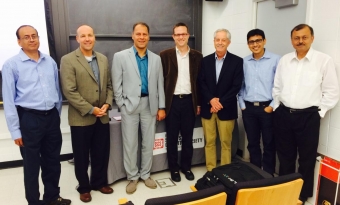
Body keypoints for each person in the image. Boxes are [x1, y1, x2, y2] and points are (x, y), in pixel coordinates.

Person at [2, 25, 71, 205]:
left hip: (51, 119)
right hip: (29, 119)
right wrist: (16, 131)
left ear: (39, 38)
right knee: (32, 166)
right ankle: (34, 201)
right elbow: (9, 101)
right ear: (19, 41)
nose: (31, 39)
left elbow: (56, 91)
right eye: (26, 37)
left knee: (53, 162)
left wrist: (55, 116)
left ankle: (52, 197)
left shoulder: (50, 62)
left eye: (34, 36)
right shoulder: (11, 65)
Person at [273, 24, 339, 204]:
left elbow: (332, 91)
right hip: (284, 114)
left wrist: (320, 112)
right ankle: (285, 190)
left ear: (312, 38)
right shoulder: (285, 60)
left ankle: (301, 195)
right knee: (285, 156)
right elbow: (277, 86)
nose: (300, 41)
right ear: (291, 40)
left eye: (304, 37)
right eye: (296, 38)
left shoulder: (323, 61)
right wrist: (278, 105)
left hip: (309, 117)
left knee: (307, 158)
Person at [60, 25, 114, 203]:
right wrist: (91, 109)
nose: (87, 39)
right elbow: (69, 91)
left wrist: (107, 103)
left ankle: (99, 182)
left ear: (94, 37)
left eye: (90, 35)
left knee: (101, 152)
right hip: (81, 118)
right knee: (82, 156)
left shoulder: (103, 59)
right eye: (83, 36)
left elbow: (109, 86)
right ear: (77, 39)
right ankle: (84, 187)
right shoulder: (68, 60)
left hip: (102, 116)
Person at [112, 22, 166, 194]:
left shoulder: (156, 59)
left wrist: (161, 106)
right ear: (133, 35)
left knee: (148, 143)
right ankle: (132, 177)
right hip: (130, 107)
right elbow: (116, 83)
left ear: (148, 37)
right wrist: (121, 104)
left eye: (144, 34)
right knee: (130, 144)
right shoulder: (120, 56)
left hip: (150, 105)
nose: (141, 37)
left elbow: (160, 85)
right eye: (138, 34)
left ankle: (145, 174)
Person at [160, 23, 203, 182]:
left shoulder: (197, 56)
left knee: (187, 137)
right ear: (173, 37)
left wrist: (198, 103)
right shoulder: (164, 55)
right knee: (171, 138)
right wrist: (161, 106)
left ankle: (186, 167)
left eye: (183, 34)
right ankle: (174, 169)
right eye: (177, 34)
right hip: (172, 103)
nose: (181, 37)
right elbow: (160, 82)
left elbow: (199, 82)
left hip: (189, 102)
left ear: (188, 35)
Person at [198, 28, 243, 171]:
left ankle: (225, 172)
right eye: (217, 39)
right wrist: (211, 100)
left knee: (226, 143)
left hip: (226, 109)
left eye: (223, 40)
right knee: (209, 142)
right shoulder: (205, 61)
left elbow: (236, 86)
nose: (220, 42)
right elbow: (201, 82)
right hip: (208, 108)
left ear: (228, 42)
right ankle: (211, 170)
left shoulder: (237, 61)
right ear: (214, 42)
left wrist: (219, 103)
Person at [238, 29, 280, 175]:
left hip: (267, 108)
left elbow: (280, 86)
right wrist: (242, 106)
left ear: (264, 41)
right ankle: (255, 172)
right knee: (253, 143)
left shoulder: (276, 60)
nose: (255, 44)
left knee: (269, 143)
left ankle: (267, 174)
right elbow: (240, 86)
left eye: (258, 41)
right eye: (251, 42)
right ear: (248, 44)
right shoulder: (244, 62)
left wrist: (272, 106)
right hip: (249, 109)